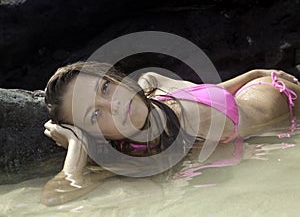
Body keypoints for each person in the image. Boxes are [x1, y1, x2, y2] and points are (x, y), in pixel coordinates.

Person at [42, 61, 300, 206]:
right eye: (95, 115)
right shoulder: (141, 154)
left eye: (106, 87)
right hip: (271, 107)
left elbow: (215, 91)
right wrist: (76, 144)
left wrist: (254, 73)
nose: (115, 105)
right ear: (96, 136)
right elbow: (53, 197)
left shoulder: (167, 102)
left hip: (280, 96)